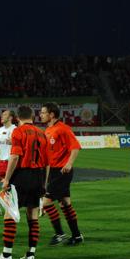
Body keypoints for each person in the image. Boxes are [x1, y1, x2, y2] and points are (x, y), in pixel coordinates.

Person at [0, 105, 48, 259]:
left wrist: (7, 179)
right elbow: (47, 163)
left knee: (10, 213)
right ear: (32, 117)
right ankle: (31, 254)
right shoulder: (42, 133)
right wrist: (44, 183)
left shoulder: (18, 132)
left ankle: (6, 255)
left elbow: (14, 157)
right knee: (33, 215)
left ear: (18, 118)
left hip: (21, 175)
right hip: (38, 176)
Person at [39, 102, 83, 246]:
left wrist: (69, 163)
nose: (41, 115)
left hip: (62, 171)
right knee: (65, 204)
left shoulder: (63, 129)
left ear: (51, 114)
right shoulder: (48, 130)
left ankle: (60, 234)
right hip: (53, 171)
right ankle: (77, 236)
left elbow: (75, 147)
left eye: (43, 112)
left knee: (46, 203)